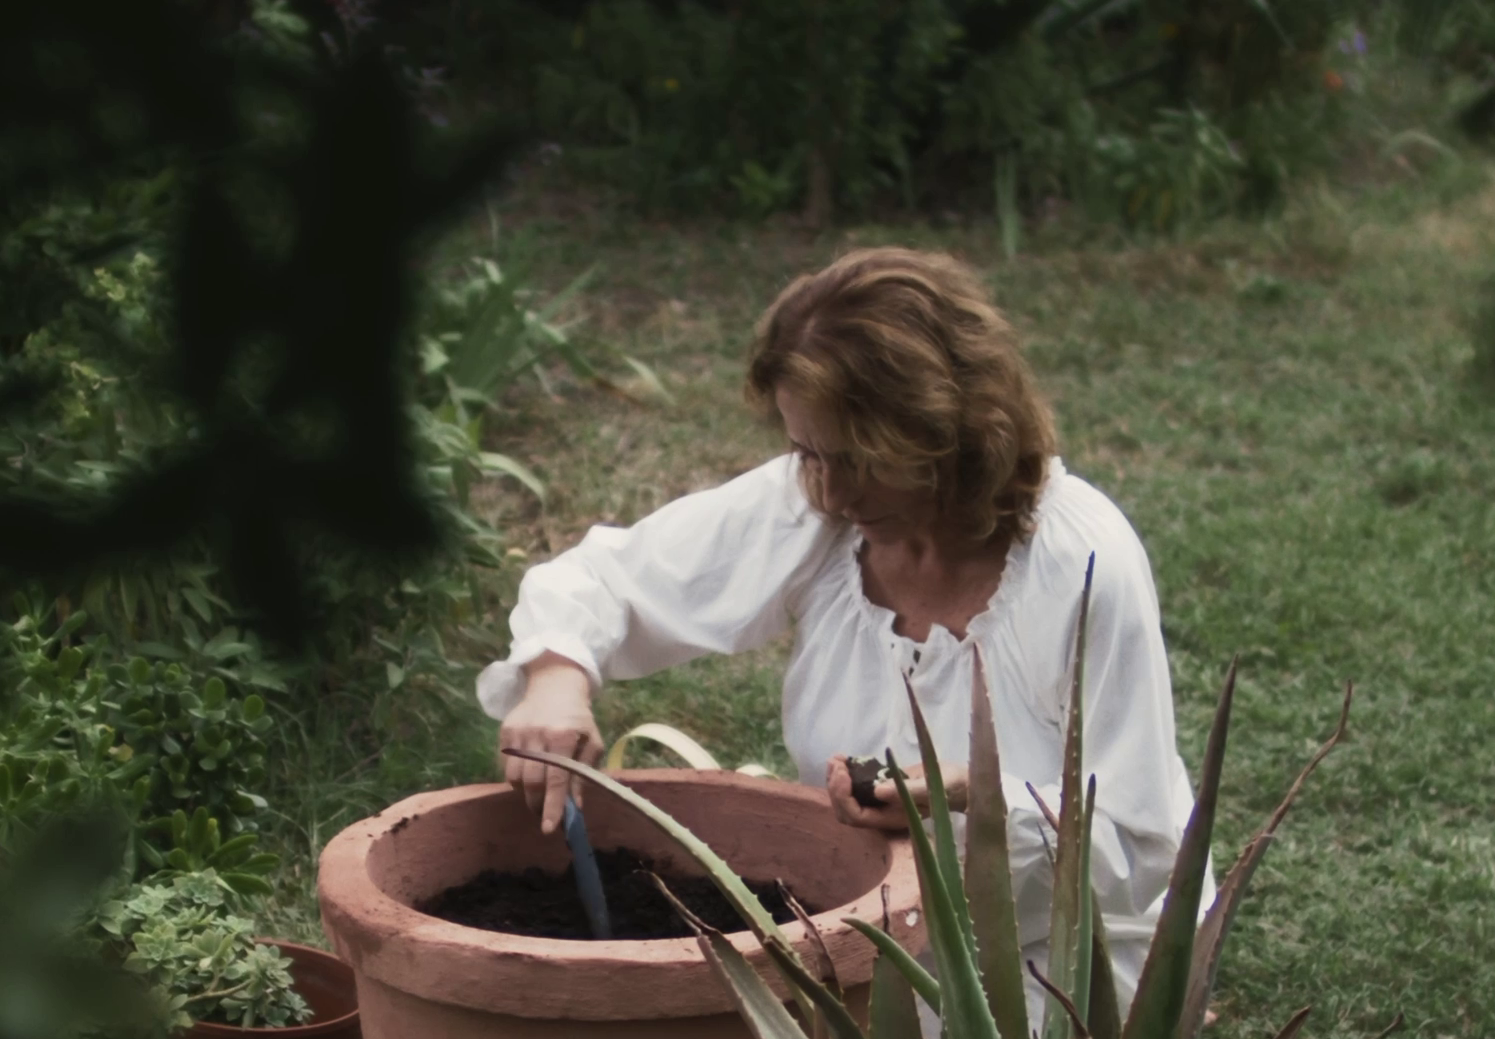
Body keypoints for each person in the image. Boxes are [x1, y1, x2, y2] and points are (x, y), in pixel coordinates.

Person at [483, 246, 1197, 997]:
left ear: (948, 431)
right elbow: (607, 580)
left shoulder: (1080, 565)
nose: (830, 491)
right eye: (806, 452)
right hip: (862, 925)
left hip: (1052, 958)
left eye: (860, 458)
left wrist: (972, 794)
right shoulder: (818, 504)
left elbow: (1137, 850)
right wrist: (556, 678)